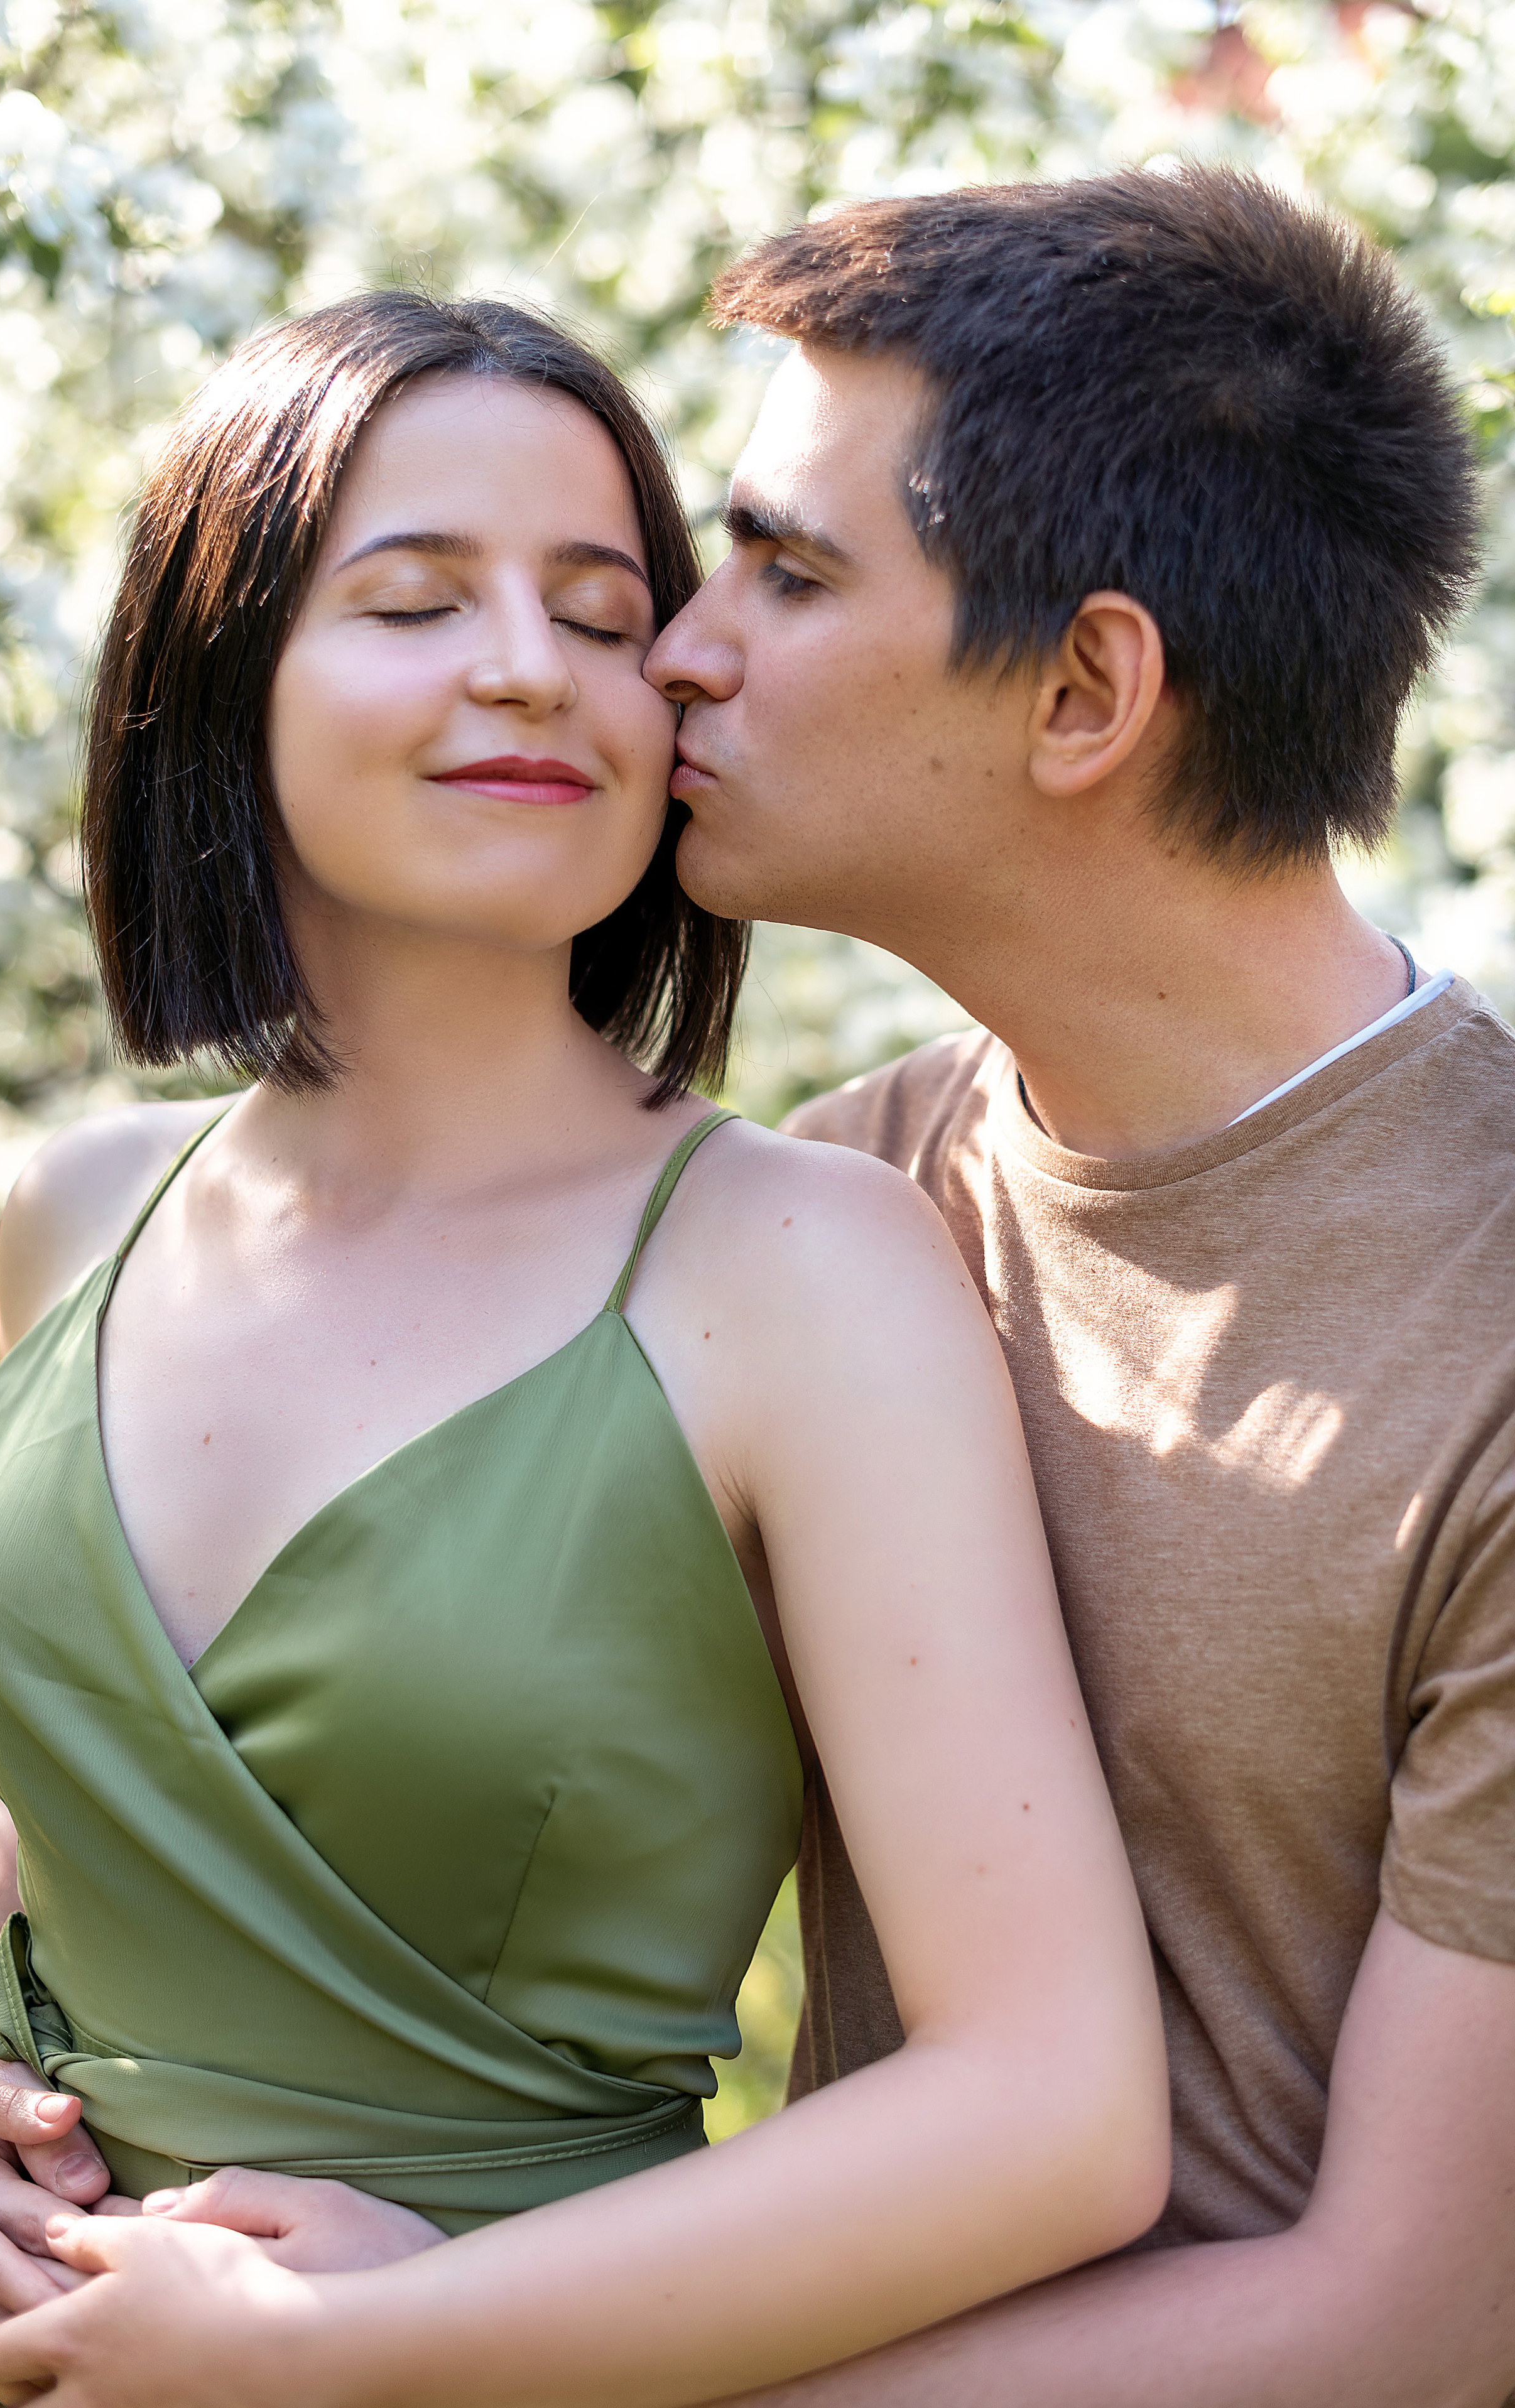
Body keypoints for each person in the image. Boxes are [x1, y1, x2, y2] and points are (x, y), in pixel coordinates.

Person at [0, 288, 1167, 2408]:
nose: (532, 665)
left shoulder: (800, 1271)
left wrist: (357, 2352)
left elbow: (1057, 2109)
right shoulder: (83, 1207)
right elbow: (140, 1772)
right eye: (413, 599)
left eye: (604, 613)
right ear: (219, 679)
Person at [638, 167, 1514, 2406]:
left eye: (787, 567)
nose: (678, 648)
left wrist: (477, 2371)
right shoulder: (844, 1206)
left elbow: (1414, 2318)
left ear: (1086, 689)